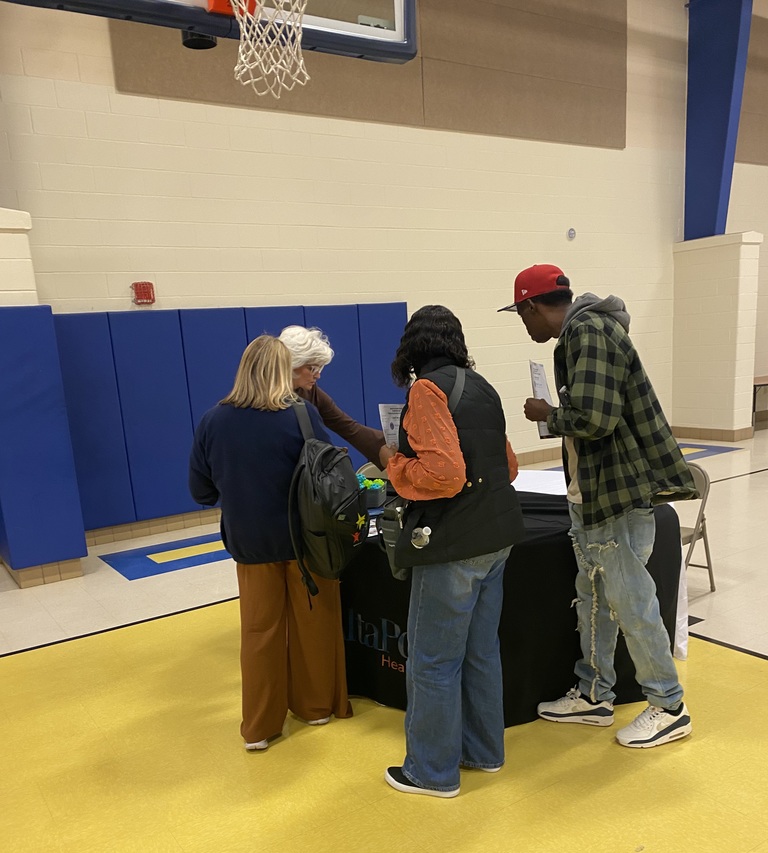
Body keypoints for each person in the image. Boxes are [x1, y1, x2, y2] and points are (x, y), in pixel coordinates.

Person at [501, 264, 697, 748]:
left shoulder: (589, 331)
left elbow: (595, 417)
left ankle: (669, 705)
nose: (523, 327)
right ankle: (594, 693)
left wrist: (549, 413)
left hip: (618, 494)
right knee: (594, 595)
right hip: (591, 492)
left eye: (520, 315)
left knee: (631, 602)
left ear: (531, 306)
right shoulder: (581, 335)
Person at [383, 305, 525, 798]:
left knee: (433, 662)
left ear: (412, 348)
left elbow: (445, 476)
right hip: (498, 538)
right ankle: (484, 752)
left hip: (454, 546)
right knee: (481, 652)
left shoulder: (426, 390)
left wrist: (397, 468)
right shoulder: (482, 387)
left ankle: (431, 772)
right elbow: (509, 466)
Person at [189, 335, 352, 751]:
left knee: (259, 633)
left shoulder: (212, 421)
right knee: (313, 624)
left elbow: (201, 492)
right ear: (283, 371)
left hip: (250, 544)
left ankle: (260, 728)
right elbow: (328, 477)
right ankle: (315, 708)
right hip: (305, 544)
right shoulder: (302, 416)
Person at [279, 325, 391, 470]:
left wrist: (389, 444)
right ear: (292, 364)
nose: (318, 375)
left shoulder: (310, 391)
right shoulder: (264, 397)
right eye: (312, 369)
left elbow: (347, 426)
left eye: (319, 369)